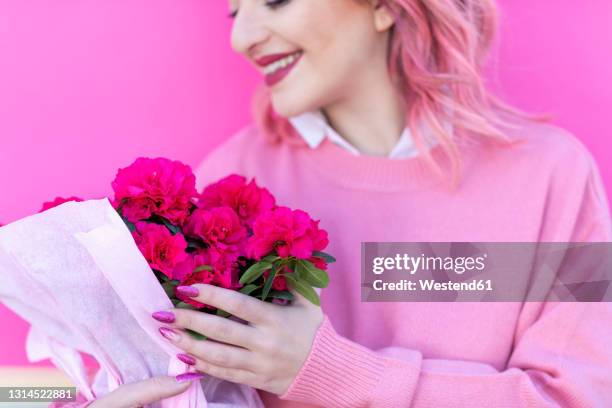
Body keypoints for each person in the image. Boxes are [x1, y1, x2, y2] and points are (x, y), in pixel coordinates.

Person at [57, 0, 612, 407]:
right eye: (234, 11)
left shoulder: (554, 176)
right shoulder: (230, 186)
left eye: (274, 0)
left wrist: (331, 372)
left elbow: (578, 399)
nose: (242, 36)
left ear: (383, 7)